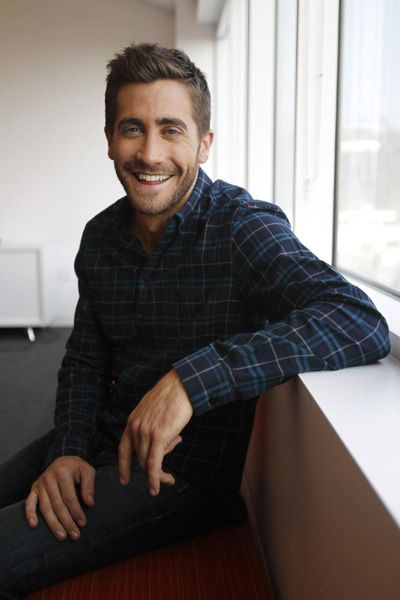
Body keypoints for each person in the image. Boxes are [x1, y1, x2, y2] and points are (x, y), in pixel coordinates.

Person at [0, 42, 390, 599]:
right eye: (132, 128)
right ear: (109, 139)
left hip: (178, 479)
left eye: (172, 130)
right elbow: (85, 359)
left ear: (204, 143)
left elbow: (358, 319)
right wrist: (68, 448)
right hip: (95, 439)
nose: (150, 152)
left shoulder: (241, 226)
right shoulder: (100, 238)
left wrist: (190, 380)